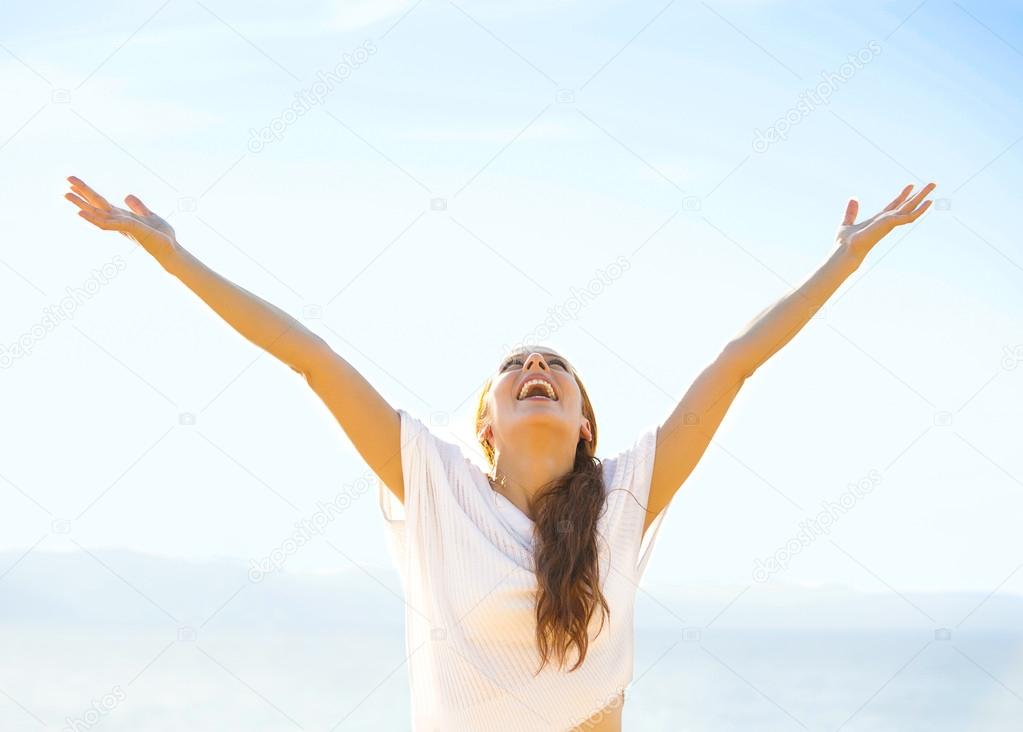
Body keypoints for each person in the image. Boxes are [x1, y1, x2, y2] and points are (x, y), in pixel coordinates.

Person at [63, 176, 936, 730]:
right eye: (515, 365)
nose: (535, 368)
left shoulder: (627, 495)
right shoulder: (433, 481)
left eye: (556, 364)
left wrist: (842, 263)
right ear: (484, 423)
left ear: (585, 421)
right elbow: (310, 358)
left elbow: (734, 364)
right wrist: (175, 258)